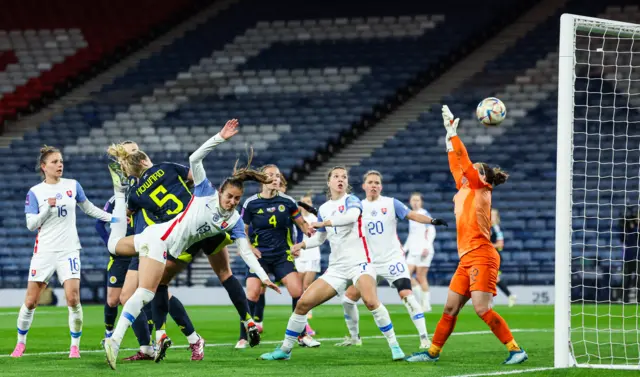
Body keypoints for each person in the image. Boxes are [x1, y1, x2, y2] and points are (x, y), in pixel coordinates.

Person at [102, 119, 280, 370]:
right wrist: (220, 136)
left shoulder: (234, 220)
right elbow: (196, 159)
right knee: (137, 281)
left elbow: (246, 251)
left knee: (142, 289)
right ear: (219, 191)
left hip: (161, 243)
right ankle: (156, 336)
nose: (232, 202)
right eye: (229, 196)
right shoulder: (202, 191)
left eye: (237, 199)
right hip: (159, 239)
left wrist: (263, 276)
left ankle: (127, 339)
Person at [406, 106, 527, 364]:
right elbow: (456, 165)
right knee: (450, 307)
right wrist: (449, 138)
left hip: (483, 255)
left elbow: (467, 165)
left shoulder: (481, 188)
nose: (468, 171)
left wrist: (456, 136)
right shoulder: (465, 187)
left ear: (483, 177)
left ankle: (516, 350)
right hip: (467, 258)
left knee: (482, 308)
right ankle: (433, 352)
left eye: (475, 170)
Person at [259, 166, 405, 361]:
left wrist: (325, 223)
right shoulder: (325, 208)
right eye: (336, 176)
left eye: (344, 177)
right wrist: (302, 244)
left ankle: (394, 345)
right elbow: (319, 239)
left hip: (360, 263)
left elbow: (351, 218)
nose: (341, 179)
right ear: (329, 182)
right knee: (302, 304)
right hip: (337, 268)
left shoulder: (352, 201)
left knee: (370, 301)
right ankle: (285, 350)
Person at [11, 146, 114, 358]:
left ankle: (74, 346)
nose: (60, 165)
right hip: (45, 252)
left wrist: (113, 218)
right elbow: (31, 225)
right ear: (44, 166)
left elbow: (89, 208)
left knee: (73, 299)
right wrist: (46, 209)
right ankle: (20, 343)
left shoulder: (73, 185)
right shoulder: (35, 192)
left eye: (61, 161)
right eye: (55, 162)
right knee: (31, 301)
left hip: (69, 250)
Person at [335, 171, 447, 349]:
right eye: (370, 182)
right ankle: (355, 338)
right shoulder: (357, 207)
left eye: (377, 183)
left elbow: (412, 215)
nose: (374, 185)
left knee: (406, 295)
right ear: (364, 186)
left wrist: (432, 221)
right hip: (369, 263)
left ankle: (424, 338)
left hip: (392, 260)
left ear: (381, 186)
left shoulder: (391, 203)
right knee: (348, 299)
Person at [236, 165, 319, 349]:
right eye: (271, 175)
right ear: (261, 179)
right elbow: (242, 231)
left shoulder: (288, 201)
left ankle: (302, 335)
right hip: (260, 256)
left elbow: (302, 224)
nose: (276, 179)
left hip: (282, 255)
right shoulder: (251, 203)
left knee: (298, 292)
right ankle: (243, 337)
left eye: (278, 176)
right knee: (252, 293)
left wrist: (309, 230)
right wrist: (249, 248)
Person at [403, 192, 437, 312]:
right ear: (410, 202)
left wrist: (427, 247)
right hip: (413, 251)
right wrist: (404, 249)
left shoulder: (424, 214)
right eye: (413, 200)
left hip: (424, 251)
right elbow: (411, 235)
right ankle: (421, 302)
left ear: (421, 202)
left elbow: (432, 231)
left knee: (421, 277)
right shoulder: (411, 215)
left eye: (417, 200)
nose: (415, 202)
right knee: (406, 275)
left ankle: (426, 305)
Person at [295, 193, 321, 336]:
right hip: (300, 255)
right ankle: (303, 322)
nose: (306, 204)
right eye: (304, 201)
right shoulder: (297, 219)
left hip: (312, 255)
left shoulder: (314, 218)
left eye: (308, 201)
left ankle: (306, 315)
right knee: (299, 290)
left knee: (306, 286)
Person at [491, 209, 516, 307]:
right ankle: (510, 295)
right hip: (489, 257)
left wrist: (487, 245)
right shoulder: (489, 228)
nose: (490, 217)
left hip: (495, 257)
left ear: (496, 217)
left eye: (492, 215)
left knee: (492, 279)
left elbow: (500, 244)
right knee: (492, 279)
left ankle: (509, 295)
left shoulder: (496, 228)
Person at [619, 206, 639, 303]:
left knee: (638, 280)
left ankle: (638, 299)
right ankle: (625, 299)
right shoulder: (625, 230)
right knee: (626, 280)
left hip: (638, 258)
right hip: (628, 258)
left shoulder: (636, 230)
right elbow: (621, 237)